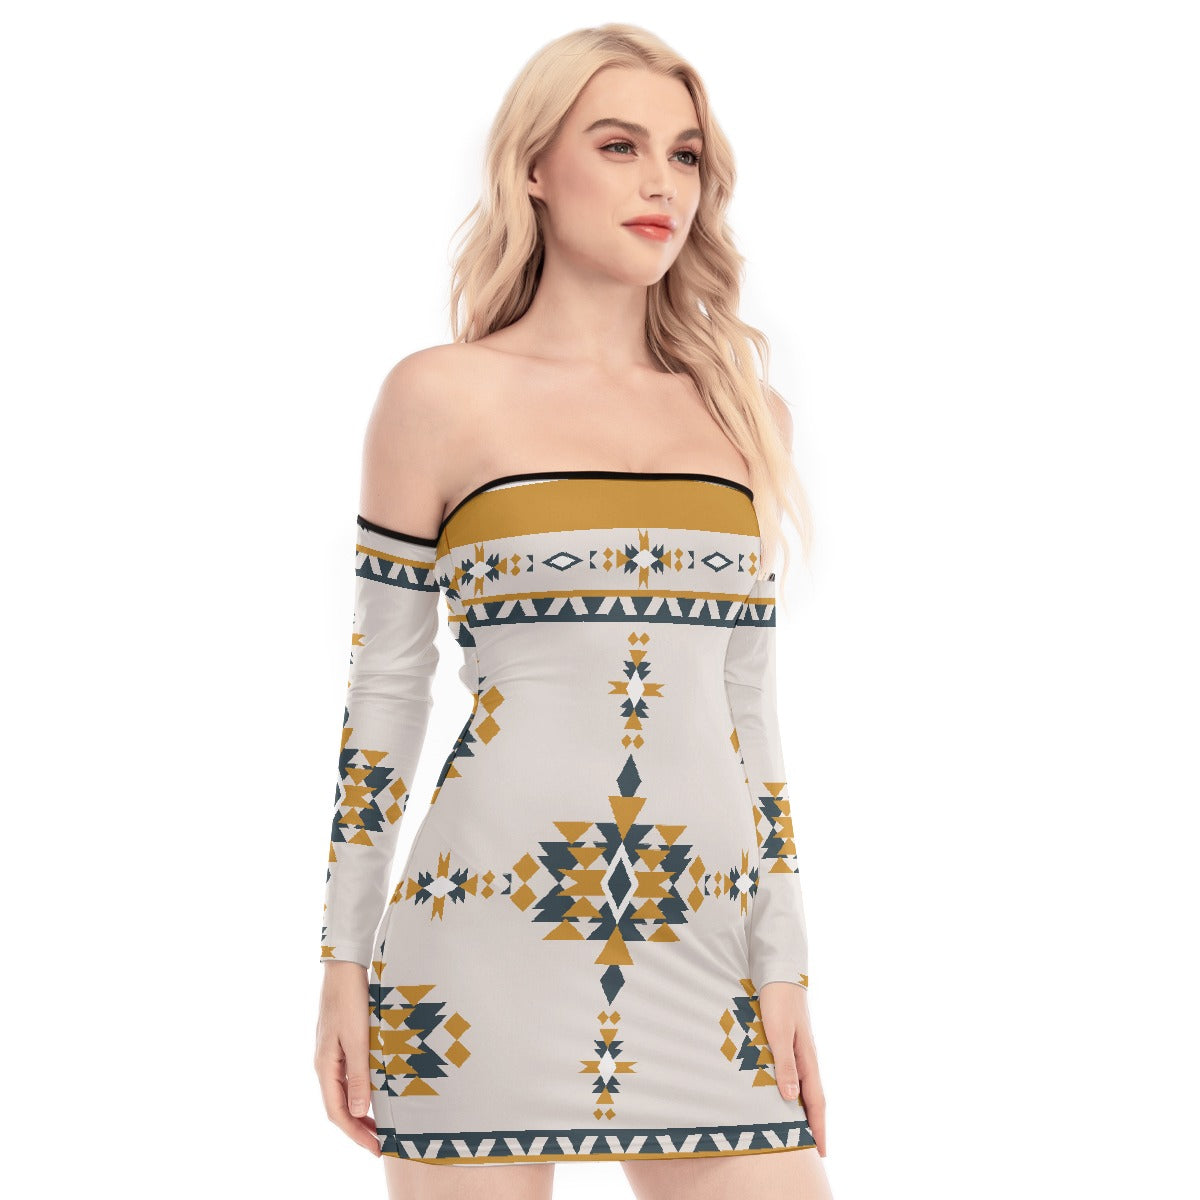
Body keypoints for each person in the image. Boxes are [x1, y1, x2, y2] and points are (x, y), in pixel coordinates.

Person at [314, 23, 833, 1200]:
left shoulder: (746, 417)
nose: (662, 184)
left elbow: (747, 710)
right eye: (619, 145)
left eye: (685, 155)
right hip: (479, 945)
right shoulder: (438, 398)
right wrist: (343, 959)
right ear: (535, 169)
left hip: (704, 948)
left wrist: (786, 964)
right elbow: (384, 694)